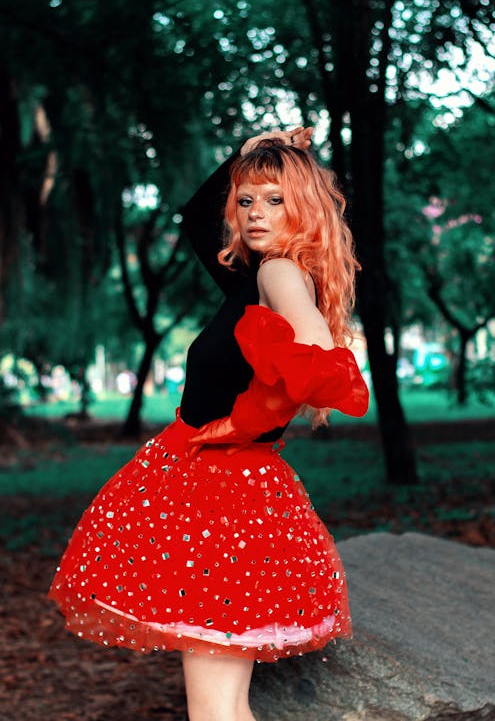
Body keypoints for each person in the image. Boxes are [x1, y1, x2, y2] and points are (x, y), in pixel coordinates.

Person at [48, 126, 369, 721]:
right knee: (216, 706)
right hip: (210, 490)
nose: (254, 213)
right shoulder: (248, 282)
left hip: (225, 498)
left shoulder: (277, 273)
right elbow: (197, 219)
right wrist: (248, 154)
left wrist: (242, 424)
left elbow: (321, 365)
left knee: (216, 709)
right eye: (246, 200)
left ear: (304, 208)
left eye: (274, 200)